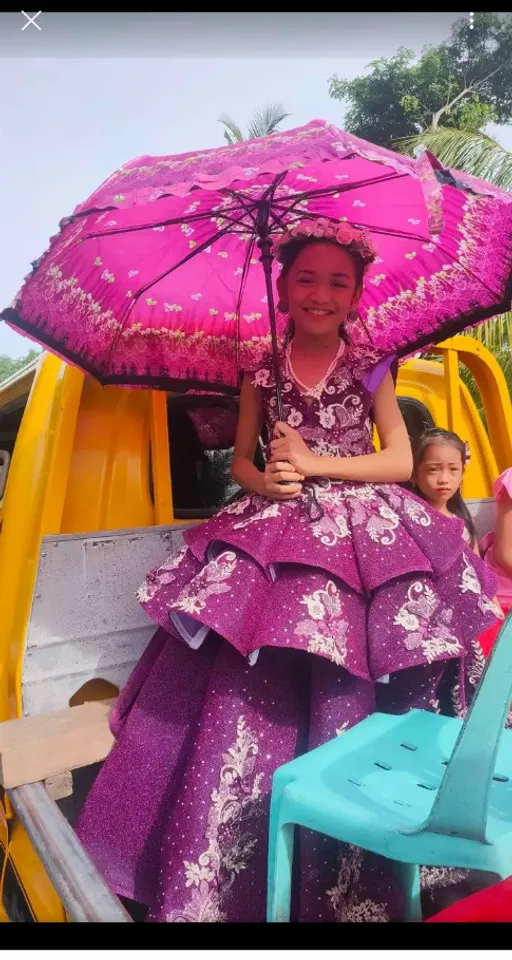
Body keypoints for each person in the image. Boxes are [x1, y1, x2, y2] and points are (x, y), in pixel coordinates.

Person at [76, 218, 500, 923]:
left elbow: (399, 458)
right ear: (282, 286)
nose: (321, 292)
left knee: (351, 674)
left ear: (357, 293)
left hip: (363, 533)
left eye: (338, 281)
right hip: (274, 526)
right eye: (306, 277)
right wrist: (265, 480)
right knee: (248, 677)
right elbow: (240, 460)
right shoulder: (261, 367)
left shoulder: (371, 360)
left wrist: (317, 464)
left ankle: (374, 847)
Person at [410, 428, 478, 551]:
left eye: (453, 469)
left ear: (462, 472)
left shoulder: (463, 519)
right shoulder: (410, 522)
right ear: (414, 475)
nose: (444, 479)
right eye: (433, 470)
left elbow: (477, 563)